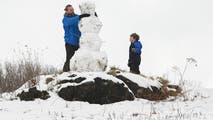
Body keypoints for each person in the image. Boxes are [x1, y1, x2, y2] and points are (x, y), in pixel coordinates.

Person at [62, 4, 90, 72]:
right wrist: (80, 16)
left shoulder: (77, 17)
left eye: (73, 9)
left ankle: (77, 71)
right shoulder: (65, 19)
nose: (72, 11)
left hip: (78, 42)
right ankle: (65, 73)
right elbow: (71, 22)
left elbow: (85, 21)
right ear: (66, 11)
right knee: (69, 59)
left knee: (78, 59)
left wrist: (91, 15)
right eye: (70, 10)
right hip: (70, 42)